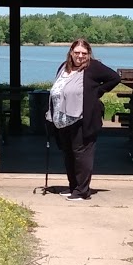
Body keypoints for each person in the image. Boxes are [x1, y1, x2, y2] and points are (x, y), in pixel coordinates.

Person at [46, 38, 122, 200]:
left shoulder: (93, 67)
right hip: (62, 119)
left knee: (81, 154)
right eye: (77, 52)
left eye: (84, 53)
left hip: (82, 118)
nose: (80, 56)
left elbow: (115, 78)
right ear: (71, 53)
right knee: (68, 154)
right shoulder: (63, 67)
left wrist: (97, 92)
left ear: (89, 54)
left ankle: (82, 191)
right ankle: (73, 186)